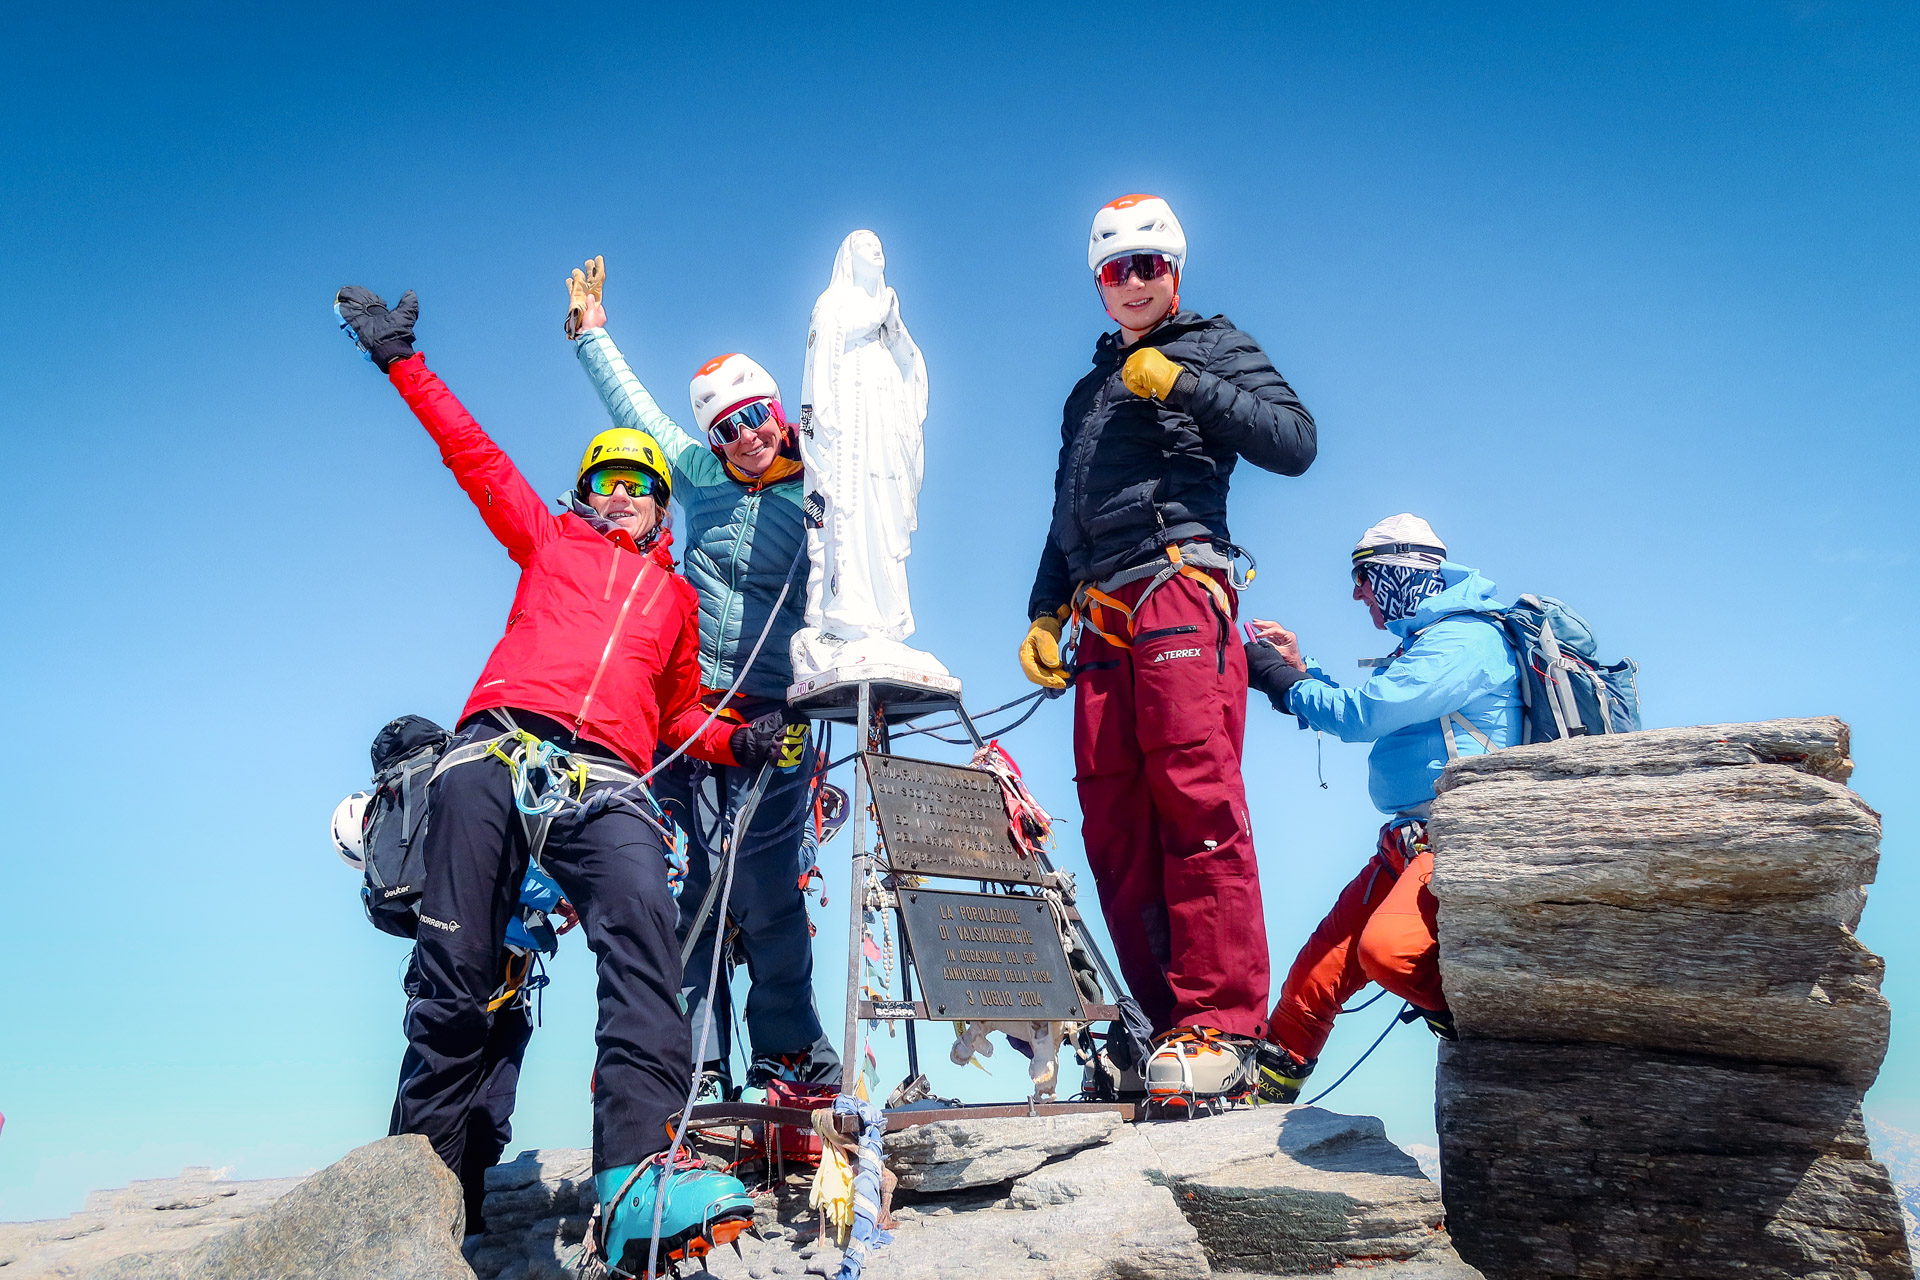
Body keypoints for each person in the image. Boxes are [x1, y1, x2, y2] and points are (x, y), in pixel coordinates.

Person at [332, 287, 800, 1270]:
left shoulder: (673, 599)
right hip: (498, 750)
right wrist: (401, 361)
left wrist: (740, 741)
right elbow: (473, 454)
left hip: (609, 781)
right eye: (606, 478)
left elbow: (681, 716)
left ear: (664, 501)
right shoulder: (548, 542)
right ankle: (420, 1194)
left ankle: (635, 1178)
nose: (624, 487)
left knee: (645, 948)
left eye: (640, 478)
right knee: (458, 980)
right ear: (585, 495)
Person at [1017, 194, 1318, 1106]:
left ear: (1176, 269)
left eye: (1150, 265)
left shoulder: (1210, 345)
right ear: (1100, 284)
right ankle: (1162, 1025)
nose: (1135, 281)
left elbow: (1296, 443)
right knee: (1113, 822)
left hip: (1180, 586)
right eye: (1117, 270)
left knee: (1196, 798)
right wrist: (1043, 609)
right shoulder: (1088, 390)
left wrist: (1182, 384)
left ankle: (1220, 1023)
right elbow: (1071, 511)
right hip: (1101, 609)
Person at [564, 259, 838, 1093]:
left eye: (756, 416)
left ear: (779, 410)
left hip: (771, 709)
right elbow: (637, 412)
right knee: (691, 883)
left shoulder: (823, 483)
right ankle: (693, 1057)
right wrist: (591, 337)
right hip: (682, 709)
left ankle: (789, 1048)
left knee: (764, 882)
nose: (746, 436)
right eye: (726, 428)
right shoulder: (704, 478)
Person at [1241, 514, 1521, 1102]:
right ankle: (1253, 1117)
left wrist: (1280, 681)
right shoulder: (1430, 641)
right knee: (1312, 981)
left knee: (1389, 953)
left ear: (1400, 571)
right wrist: (1298, 670)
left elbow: (1365, 714)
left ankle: (1492, 1042)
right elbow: (1372, 704)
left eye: (1363, 576)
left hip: (1458, 840)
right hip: (1408, 841)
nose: (1357, 592)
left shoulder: (1463, 640)